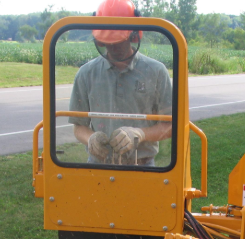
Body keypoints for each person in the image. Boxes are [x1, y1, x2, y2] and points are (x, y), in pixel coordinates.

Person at [68, 0, 173, 166]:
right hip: (98, 165)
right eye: (108, 41)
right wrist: (91, 138)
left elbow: (170, 126)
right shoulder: (86, 74)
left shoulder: (156, 72)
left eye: (118, 41)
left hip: (142, 166)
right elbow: (78, 126)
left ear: (133, 35)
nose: (112, 47)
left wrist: (140, 134)